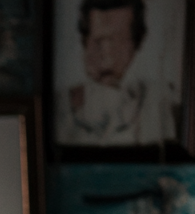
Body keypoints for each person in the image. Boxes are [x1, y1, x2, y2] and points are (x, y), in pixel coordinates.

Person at [55, 0, 178, 146]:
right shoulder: (58, 108)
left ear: (136, 43)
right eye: (98, 41)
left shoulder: (159, 103)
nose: (108, 59)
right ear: (85, 41)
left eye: (119, 42)